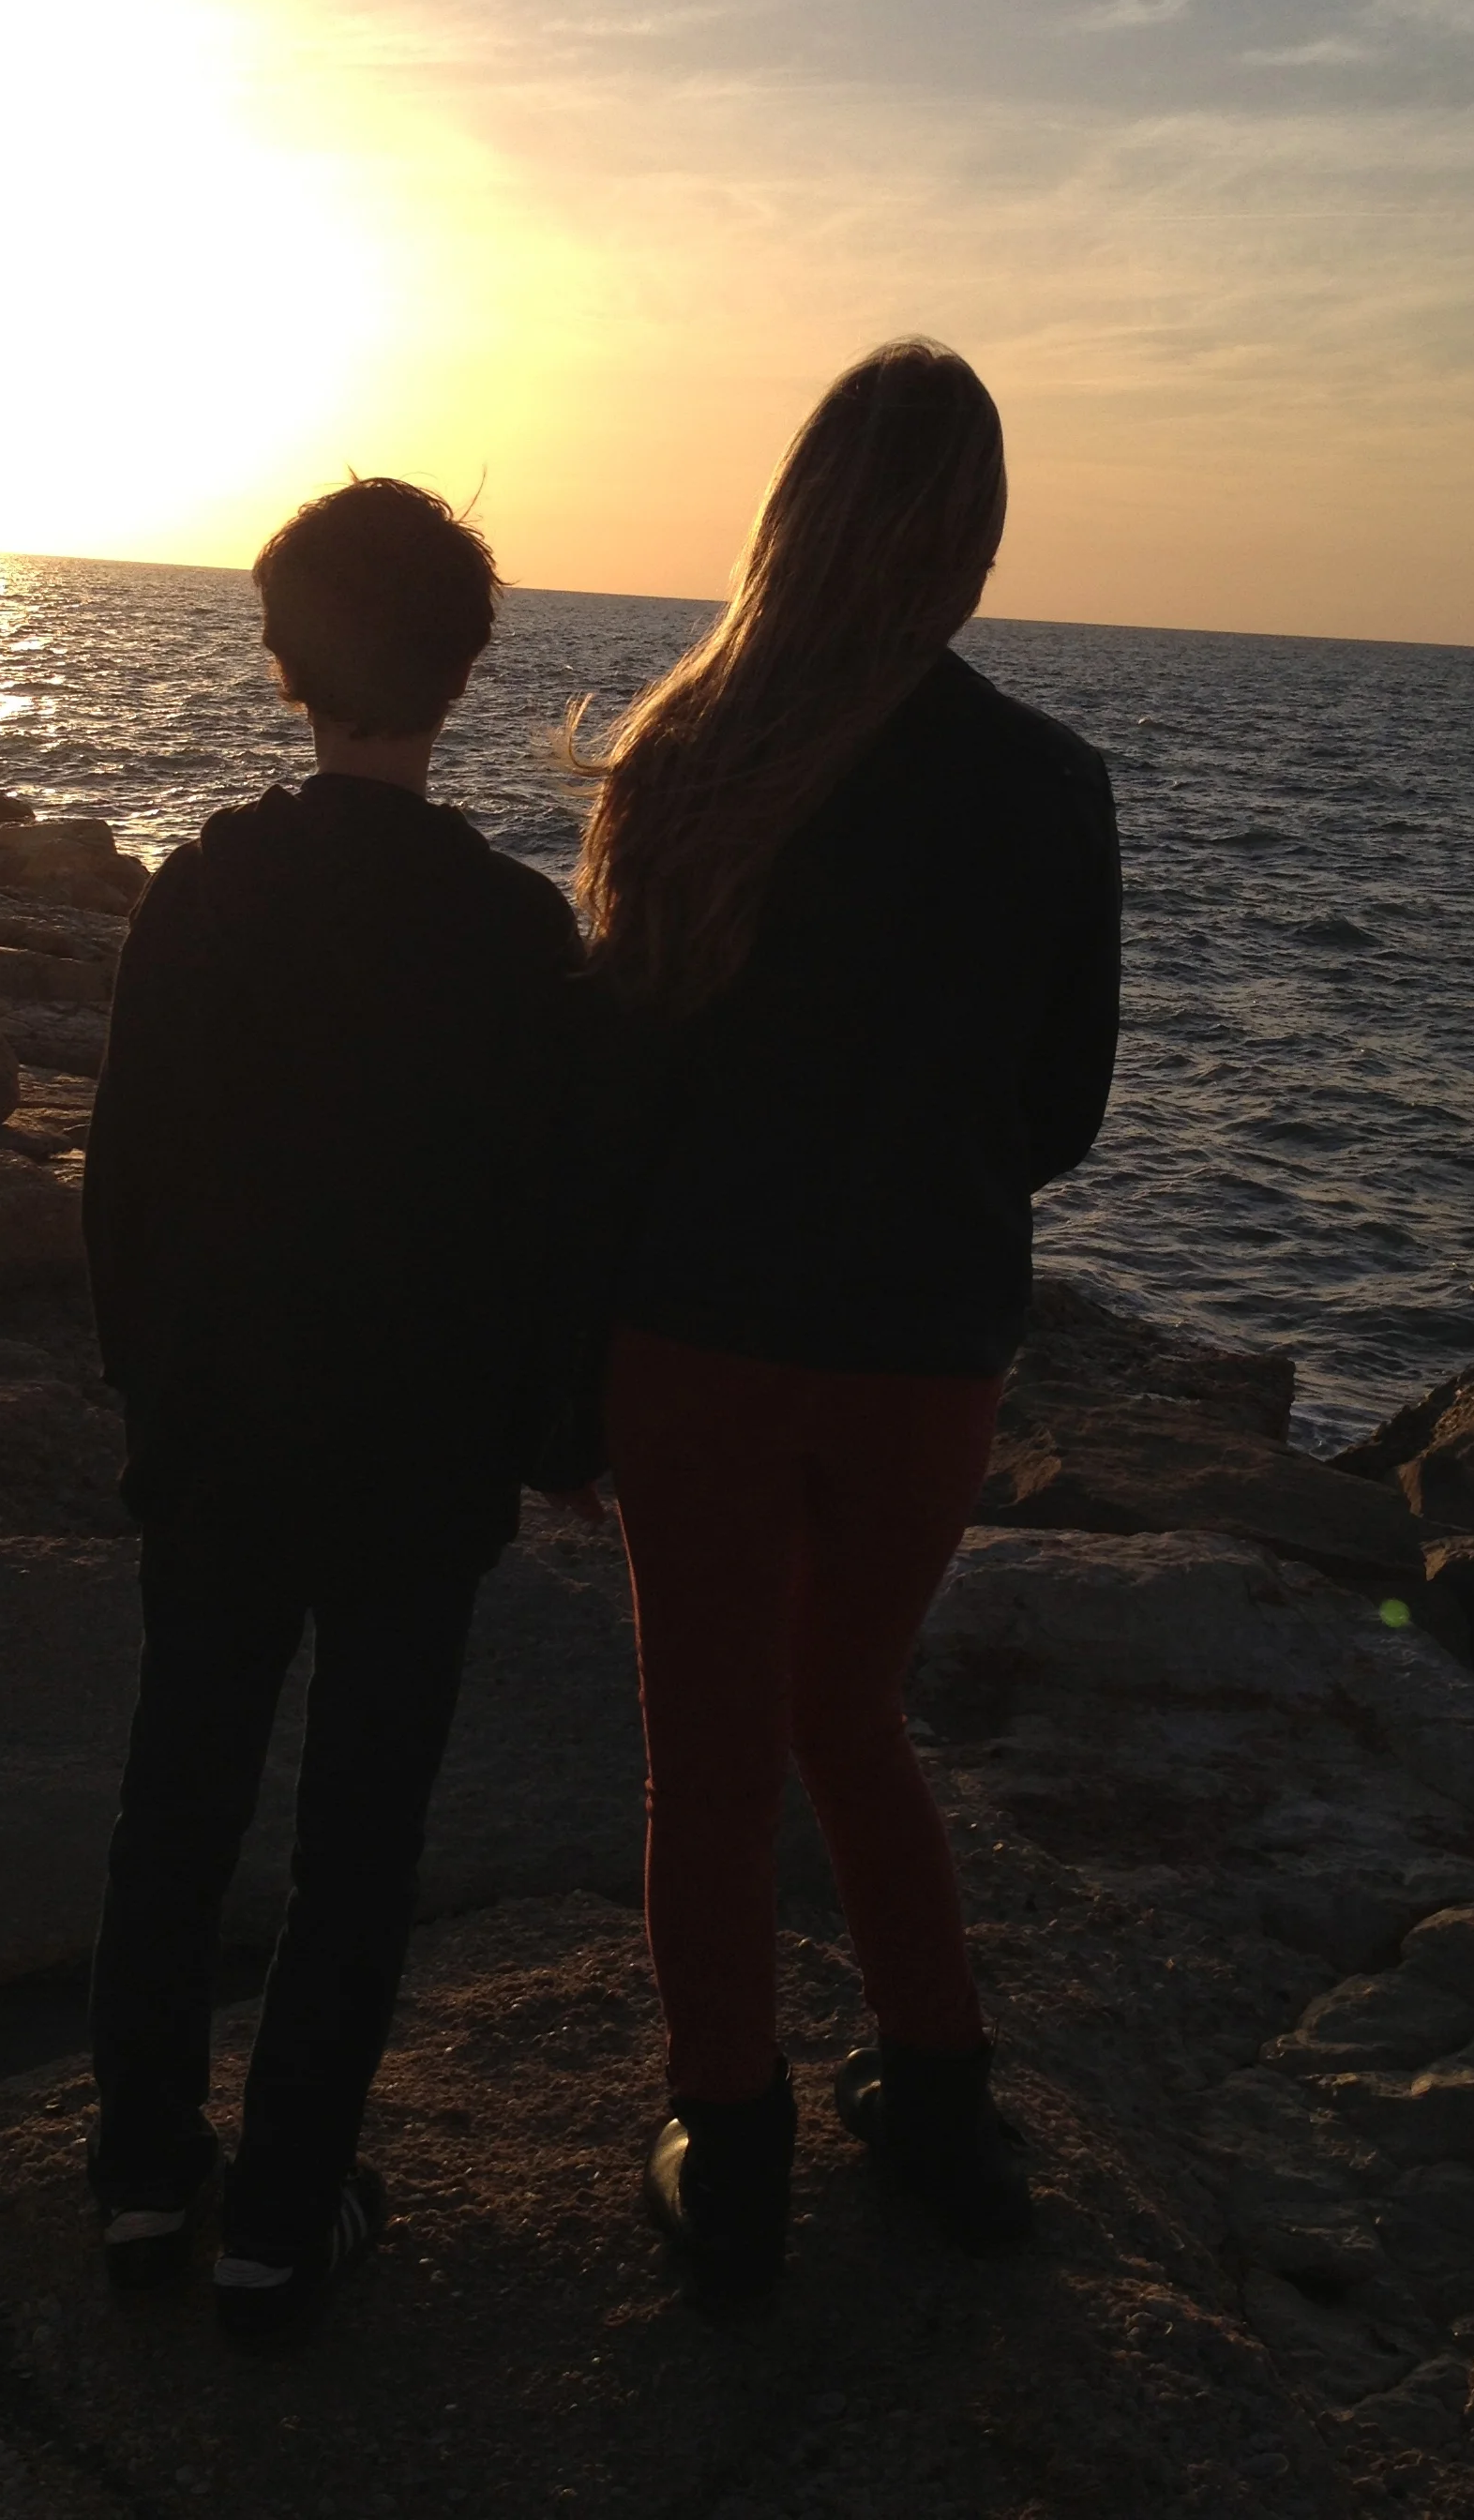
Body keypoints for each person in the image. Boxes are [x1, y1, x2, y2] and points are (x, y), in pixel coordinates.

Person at [578, 340, 1121, 2305]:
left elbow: (610, 1094)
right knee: (851, 1713)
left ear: (793, 516)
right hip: (924, 1356)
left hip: (700, 1337)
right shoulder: (1054, 791)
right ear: (971, 544)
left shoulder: (682, 758)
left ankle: (730, 2153)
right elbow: (1061, 1115)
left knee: (708, 1759)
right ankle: (946, 2106)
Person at [83, 475, 596, 2342]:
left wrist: (148, 1389)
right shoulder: (519, 937)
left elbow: (122, 1187)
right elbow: (560, 1226)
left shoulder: (203, 896)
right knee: (359, 1842)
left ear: (282, 660)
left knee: (177, 1803)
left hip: (219, 1434)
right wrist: (550, 1439)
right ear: (464, 672)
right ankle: (282, 2225)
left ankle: (143, 2184)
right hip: (415, 1469)